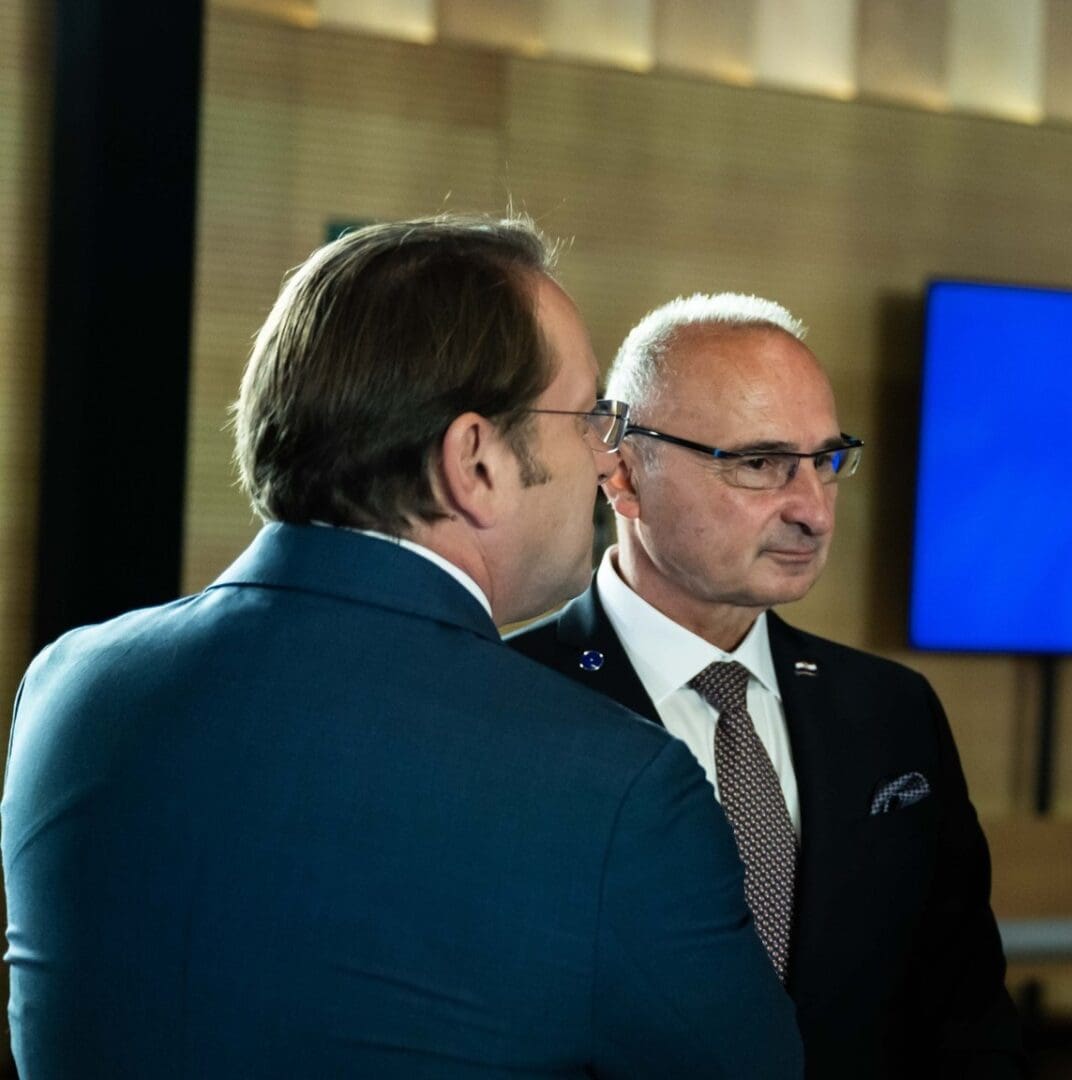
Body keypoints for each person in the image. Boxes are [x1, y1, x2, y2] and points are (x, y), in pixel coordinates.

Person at [4, 218, 801, 1077]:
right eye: (588, 420)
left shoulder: (68, 687)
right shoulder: (621, 789)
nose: (606, 460)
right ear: (475, 461)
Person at [509, 294, 1026, 1079]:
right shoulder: (505, 701)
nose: (814, 511)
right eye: (759, 464)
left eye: (825, 461)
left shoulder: (893, 712)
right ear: (621, 474)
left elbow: (965, 1017)